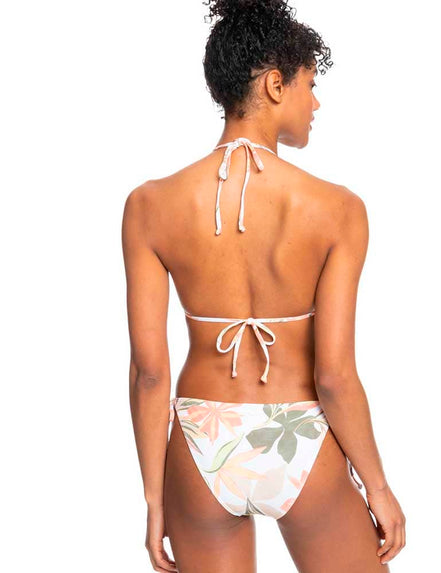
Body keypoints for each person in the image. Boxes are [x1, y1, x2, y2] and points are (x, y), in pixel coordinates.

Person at [122, 0, 406, 570]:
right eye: (310, 85)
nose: (316, 102)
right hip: (299, 435)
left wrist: (155, 500)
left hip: (201, 442)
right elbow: (334, 376)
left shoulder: (149, 206)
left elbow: (150, 374)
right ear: (276, 85)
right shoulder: (337, 209)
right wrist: (377, 485)